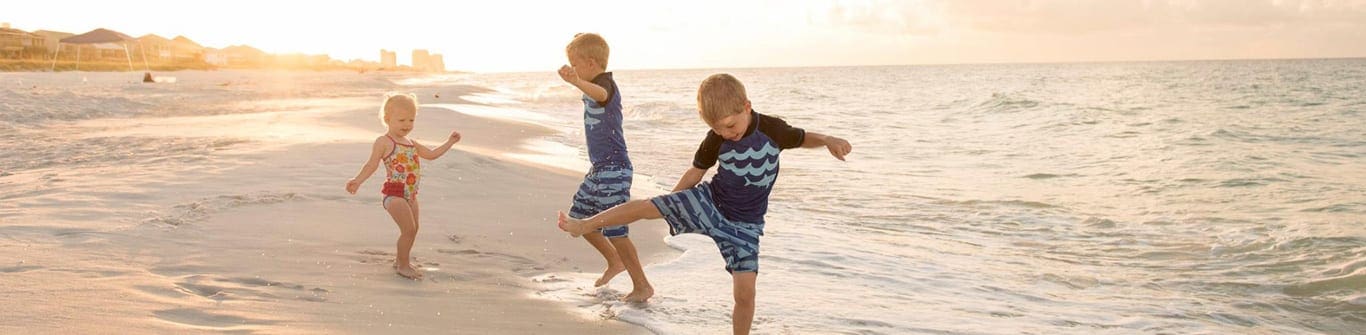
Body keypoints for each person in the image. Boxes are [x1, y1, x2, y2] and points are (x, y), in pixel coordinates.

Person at [558, 73, 852, 334]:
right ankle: (584, 224)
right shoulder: (715, 138)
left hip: (745, 225)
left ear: (746, 107)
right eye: (718, 129)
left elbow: (802, 138)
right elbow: (696, 173)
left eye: (730, 125)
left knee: (745, 293)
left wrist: (827, 139)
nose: (726, 133)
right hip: (709, 202)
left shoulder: (772, 129)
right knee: (648, 207)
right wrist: (670, 200)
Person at [556, 33, 655, 301]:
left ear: (590, 63)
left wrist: (576, 82)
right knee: (578, 218)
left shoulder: (605, 84)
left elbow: (601, 95)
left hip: (615, 168)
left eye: (575, 65)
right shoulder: (591, 83)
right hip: (599, 169)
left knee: (616, 229)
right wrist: (577, 81)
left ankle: (642, 285)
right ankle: (614, 261)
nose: (573, 70)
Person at [346, 93, 461, 280]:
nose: (407, 124)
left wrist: (450, 142)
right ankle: (403, 266)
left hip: (411, 195)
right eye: (401, 120)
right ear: (387, 119)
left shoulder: (411, 143)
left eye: (411, 120)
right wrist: (357, 180)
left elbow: (431, 155)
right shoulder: (384, 142)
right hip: (395, 194)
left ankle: (400, 259)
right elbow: (372, 164)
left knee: (414, 230)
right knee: (408, 230)